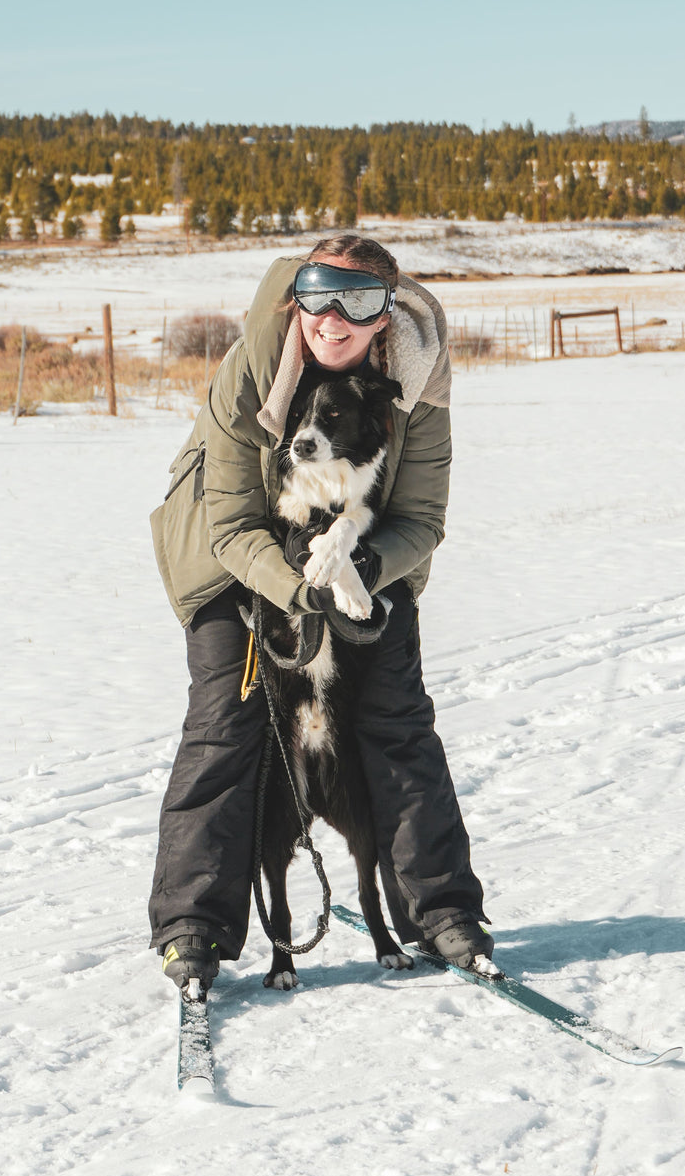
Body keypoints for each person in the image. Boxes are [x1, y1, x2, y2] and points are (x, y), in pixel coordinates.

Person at [148, 233, 492, 993]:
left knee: (395, 719)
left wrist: (365, 569)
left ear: (386, 315)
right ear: (295, 296)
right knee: (229, 721)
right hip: (232, 561)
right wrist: (300, 588)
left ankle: (442, 913)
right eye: (317, 294)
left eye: (358, 301)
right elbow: (231, 524)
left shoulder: (418, 376)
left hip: (363, 554)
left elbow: (423, 517)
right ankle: (192, 928)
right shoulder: (252, 366)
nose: (332, 318)